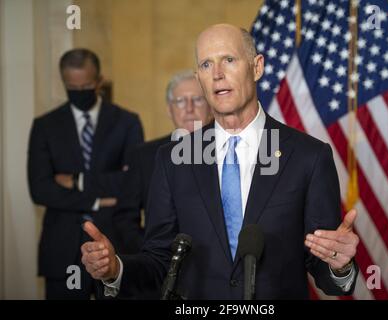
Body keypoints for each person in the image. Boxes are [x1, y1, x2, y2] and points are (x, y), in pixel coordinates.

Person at [81, 24, 360, 299]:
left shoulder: (309, 156)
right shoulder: (172, 160)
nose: (217, 74)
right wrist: (115, 268)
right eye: (206, 64)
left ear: (257, 67)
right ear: (199, 78)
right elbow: (159, 261)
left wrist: (340, 266)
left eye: (228, 59)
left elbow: (325, 271)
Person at [27, 48, 144, 299]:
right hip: (62, 248)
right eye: (73, 88)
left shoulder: (127, 122)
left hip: (117, 246)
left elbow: (134, 180)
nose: (80, 93)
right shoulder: (45, 126)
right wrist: (96, 200)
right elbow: (41, 189)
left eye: (86, 86)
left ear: (99, 81)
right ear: (64, 83)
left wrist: (77, 181)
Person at [114, 70, 213, 272]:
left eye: (197, 100)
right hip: (160, 273)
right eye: (180, 101)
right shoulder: (144, 156)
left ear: (211, 106)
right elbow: (124, 218)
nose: (189, 108)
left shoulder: (231, 150)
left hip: (215, 271)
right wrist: (152, 257)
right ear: (169, 109)